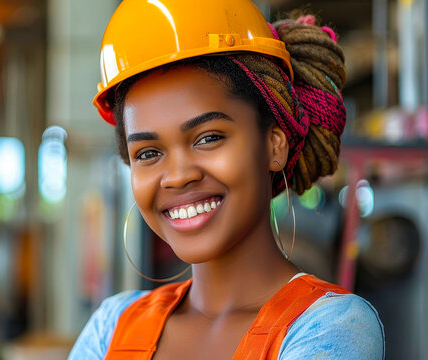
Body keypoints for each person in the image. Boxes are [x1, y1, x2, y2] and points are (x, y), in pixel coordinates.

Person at [69, 0, 385, 359]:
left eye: (208, 138)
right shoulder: (112, 325)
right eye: (149, 153)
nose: (178, 176)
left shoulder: (330, 326)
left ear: (273, 145)